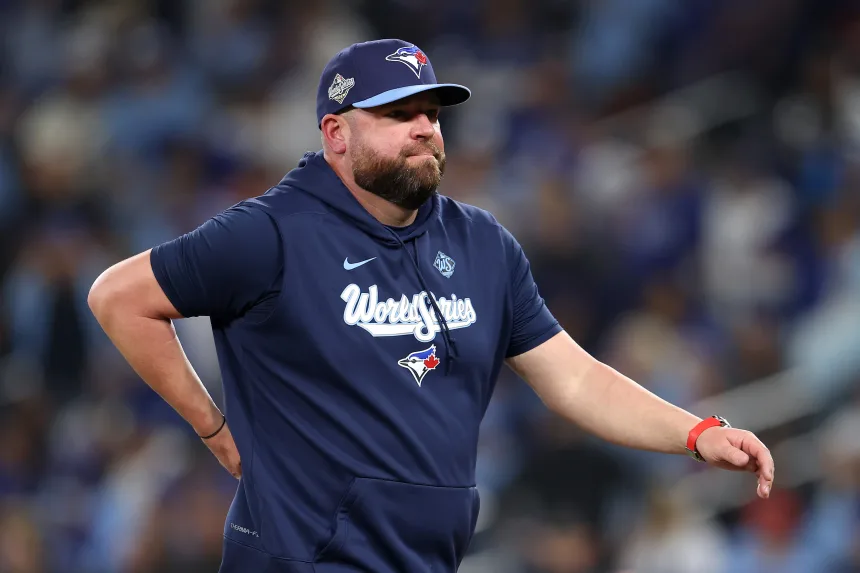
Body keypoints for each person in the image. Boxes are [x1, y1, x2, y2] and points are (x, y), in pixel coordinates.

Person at [87, 39, 775, 573]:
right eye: (397, 114)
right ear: (336, 134)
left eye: (432, 114)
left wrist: (695, 432)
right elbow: (119, 297)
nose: (423, 128)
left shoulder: (482, 244)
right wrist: (212, 425)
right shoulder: (270, 233)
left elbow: (573, 378)